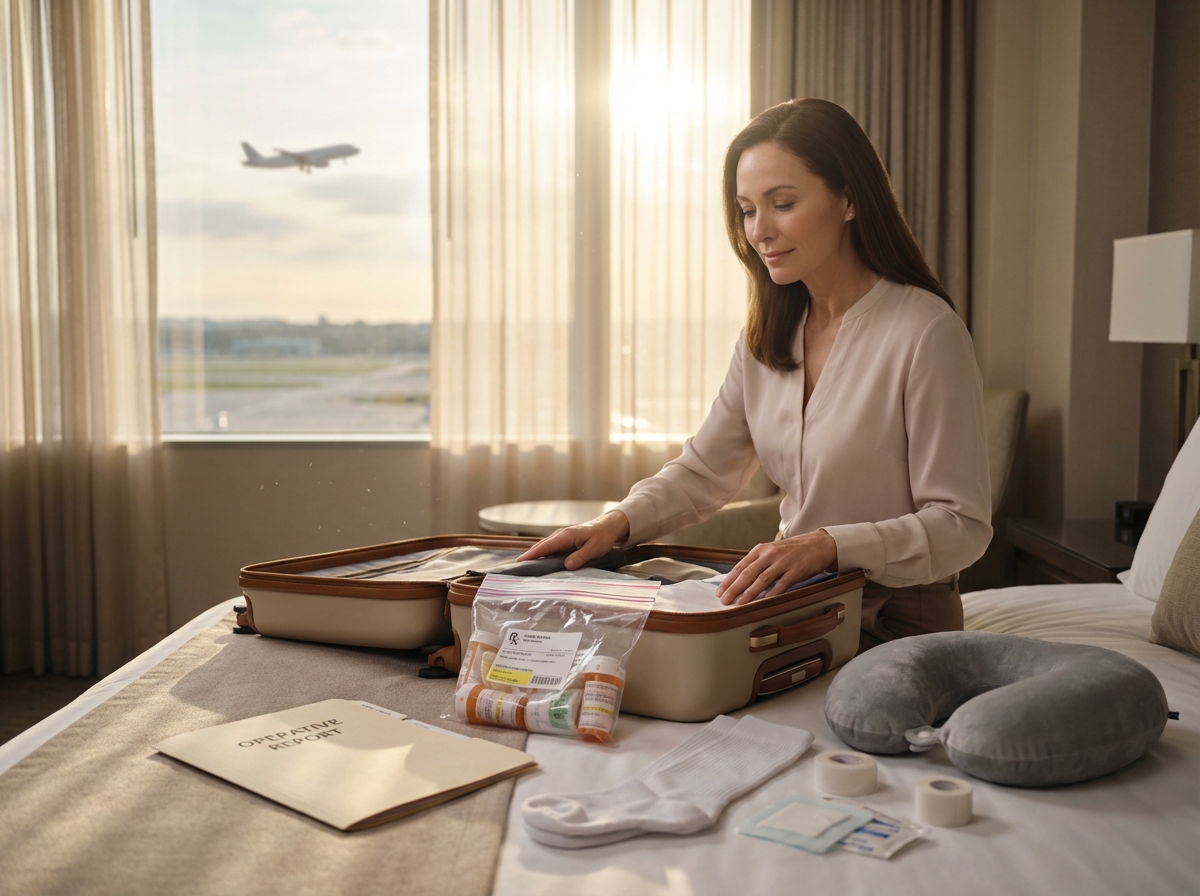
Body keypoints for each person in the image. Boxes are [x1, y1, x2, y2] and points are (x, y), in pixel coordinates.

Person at [519, 98, 991, 648]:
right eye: (746, 210)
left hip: (897, 617)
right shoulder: (768, 334)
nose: (759, 231)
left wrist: (829, 545)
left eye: (783, 203)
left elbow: (962, 527)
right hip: (797, 599)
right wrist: (615, 524)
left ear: (850, 199)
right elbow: (704, 471)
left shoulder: (926, 331)